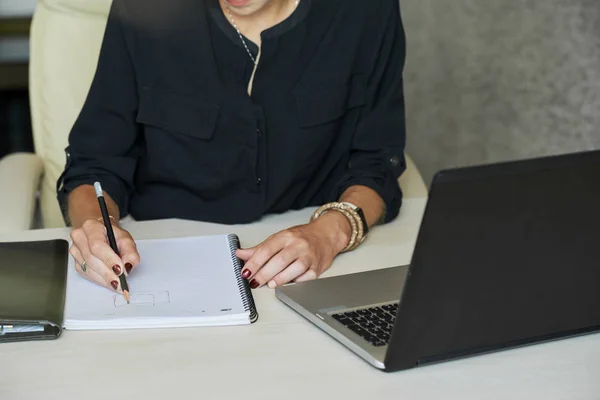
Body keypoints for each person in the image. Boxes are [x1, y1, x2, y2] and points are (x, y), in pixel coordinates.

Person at [58, 0, 407, 294]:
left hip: (312, 270)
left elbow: (377, 162)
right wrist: (94, 229)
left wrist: (330, 232)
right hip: (160, 263)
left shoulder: (366, 11)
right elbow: (94, 164)